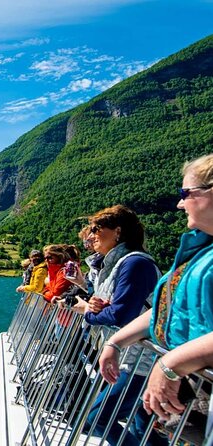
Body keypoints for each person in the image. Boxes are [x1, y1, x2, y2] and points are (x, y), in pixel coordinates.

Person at [100, 154, 213, 440]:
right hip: (192, 391)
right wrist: (116, 341)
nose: (179, 203)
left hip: (201, 389)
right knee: (144, 427)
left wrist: (170, 366)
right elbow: (169, 308)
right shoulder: (199, 253)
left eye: (185, 193)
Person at [68, 205, 160, 445]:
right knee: (142, 425)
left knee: (98, 417)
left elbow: (122, 314)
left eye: (97, 228)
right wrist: (96, 304)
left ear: (118, 232)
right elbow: (114, 305)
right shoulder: (117, 265)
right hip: (128, 356)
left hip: (139, 360)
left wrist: (88, 312)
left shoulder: (135, 264)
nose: (91, 234)